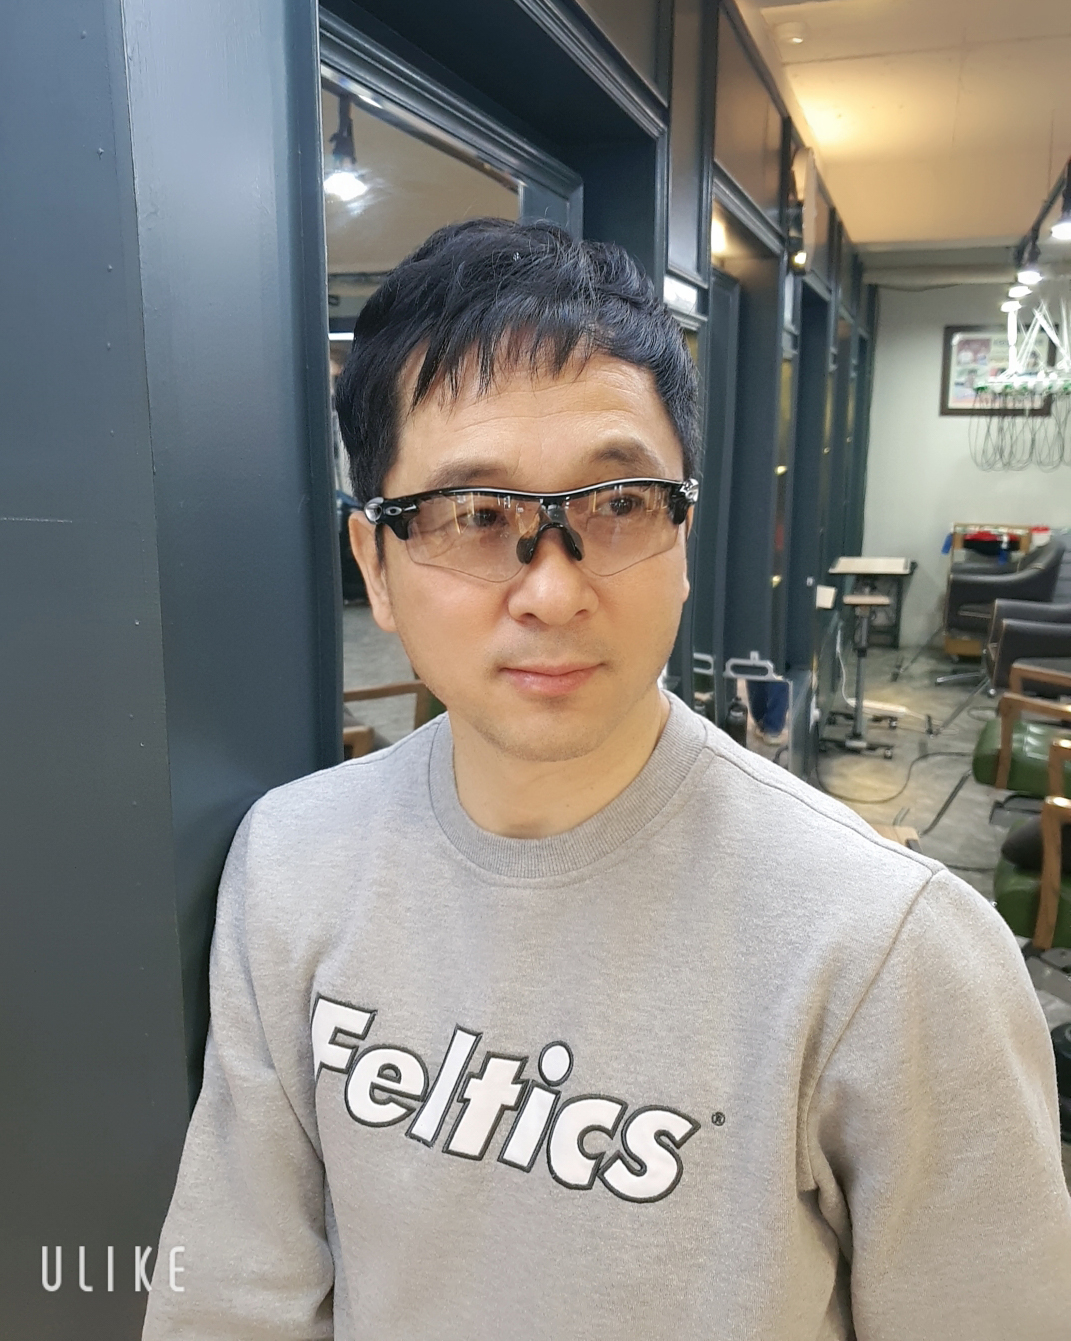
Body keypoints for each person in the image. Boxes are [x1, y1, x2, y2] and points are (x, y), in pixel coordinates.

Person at [143, 219, 1071, 1340]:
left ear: (682, 540)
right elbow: (237, 1290)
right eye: (474, 515)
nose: (552, 590)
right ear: (374, 566)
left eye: (619, 502)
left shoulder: (890, 952)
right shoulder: (292, 860)